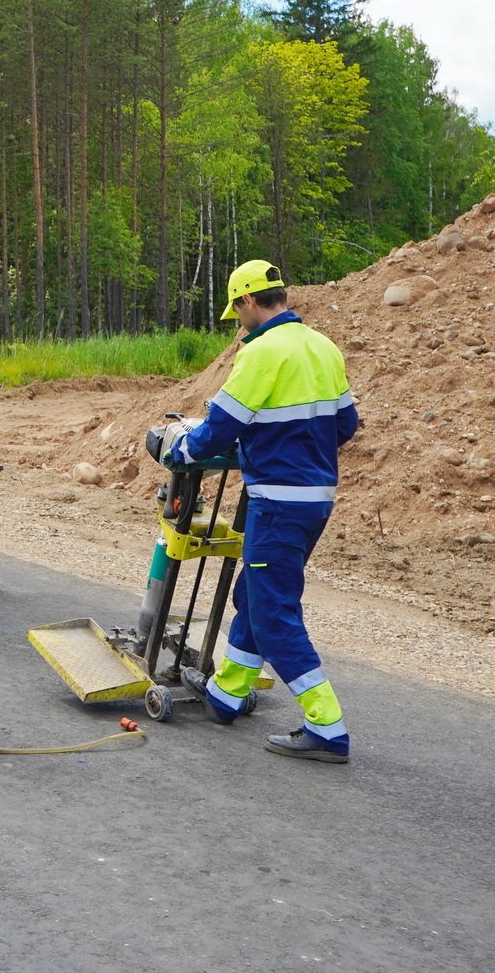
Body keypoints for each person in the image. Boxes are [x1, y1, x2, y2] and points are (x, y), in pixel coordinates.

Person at [162, 259, 358, 762]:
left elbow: (219, 429)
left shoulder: (261, 353)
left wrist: (181, 448)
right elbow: (345, 426)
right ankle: (226, 696)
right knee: (255, 591)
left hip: (277, 499)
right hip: (316, 499)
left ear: (249, 301)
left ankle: (327, 726)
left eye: (237, 311)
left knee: (273, 613)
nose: (238, 322)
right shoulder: (323, 346)